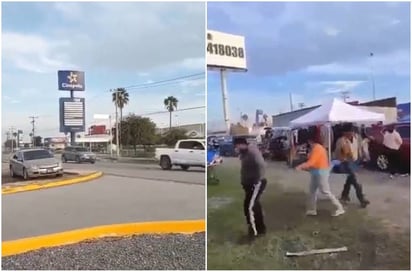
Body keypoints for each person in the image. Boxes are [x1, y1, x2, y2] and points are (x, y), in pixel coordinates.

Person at [295, 132, 345, 217]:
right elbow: (312, 161)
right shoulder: (315, 148)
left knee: (325, 191)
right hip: (315, 171)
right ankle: (312, 209)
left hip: (321, 172)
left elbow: (311, 162)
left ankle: (340, 208)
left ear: (309, 141)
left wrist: (300, 166)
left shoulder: (317, 148)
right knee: (312, 191)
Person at [233, 137, 267, 238]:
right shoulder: (244, 153)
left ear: (241, 144)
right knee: (251, 205)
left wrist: (257, 180)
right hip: (248, 184)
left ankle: (254, 231)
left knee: (250, 207)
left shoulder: (253, 152)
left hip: (255, 183)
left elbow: (262, 165)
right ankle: (260, 228)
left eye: (237, 146)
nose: (236, 148)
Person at [335, 124, 370, 208]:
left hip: (355, 162)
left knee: (349, 180)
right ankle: (362, 199)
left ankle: (344, 196)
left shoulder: (356, 138)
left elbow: (359, 147)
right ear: (344, 133)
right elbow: (345, 152)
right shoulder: (341, 140)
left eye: (352, 131)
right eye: (349, 132)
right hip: (345, 163)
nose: (351, 133)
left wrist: (363, 156)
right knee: (355, 181)